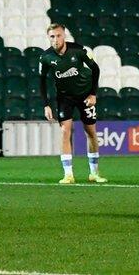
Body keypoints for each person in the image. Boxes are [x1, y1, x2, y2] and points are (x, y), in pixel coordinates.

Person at [38, 23, 107, 184]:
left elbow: (95, 69)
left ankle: (94, 173)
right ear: (48, 38)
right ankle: (68, 174)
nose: (56, 39)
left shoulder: (78, 50)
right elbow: (41, 81)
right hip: (64, 97)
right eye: (52, 36)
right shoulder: (46, 57)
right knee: (65, 131)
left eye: (58, 35)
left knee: (90, 131)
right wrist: (46, 104)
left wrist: (93, 94)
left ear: (64, 36)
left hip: (85, 95)